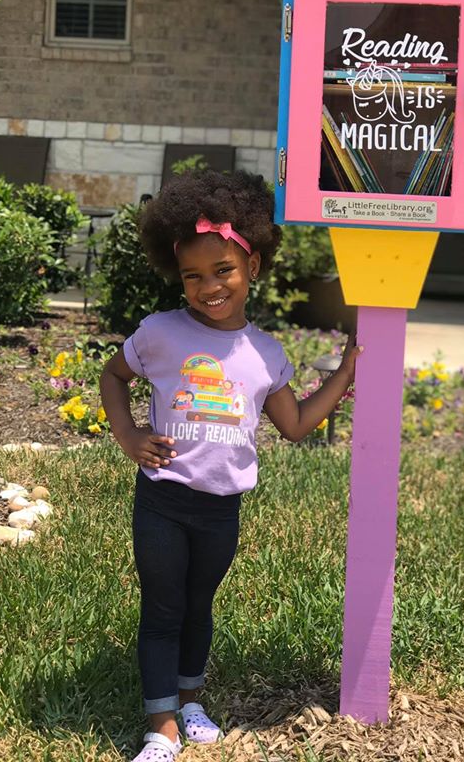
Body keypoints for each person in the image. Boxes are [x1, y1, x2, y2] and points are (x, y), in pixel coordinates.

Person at [99, 169, 362, 762]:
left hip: (222, 510)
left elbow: (294, 426)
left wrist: (343, 376)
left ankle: (190, 698)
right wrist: (128, 433)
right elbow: (114, 377)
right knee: (163, 606)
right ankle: (160, 724)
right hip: (163, 501)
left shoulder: (266, 353)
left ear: (254, 270)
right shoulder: (161, 333)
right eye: (193, 276)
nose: (208, 287)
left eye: (223, 272)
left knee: (199, 605)